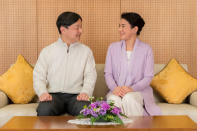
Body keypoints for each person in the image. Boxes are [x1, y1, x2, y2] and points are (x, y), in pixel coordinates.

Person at [33, 12, 97, 116]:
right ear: (63, 29)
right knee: (44, 110)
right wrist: (42, 92)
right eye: (77, 27)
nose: (81, 31)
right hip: (53, 96)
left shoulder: (86, 51)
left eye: (81, 27)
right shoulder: (47, 51)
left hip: (77, 96)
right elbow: (38, 75)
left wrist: (85, 92)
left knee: (87, 112)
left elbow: (90, 75)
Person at [104, 12, 161, 116]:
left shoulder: (146, 49)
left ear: (135, 29)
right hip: (116, 90)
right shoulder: (112, 48)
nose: (119, 29)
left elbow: (148, 77)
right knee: (113, 101)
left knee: (129, 98)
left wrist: (132, 89)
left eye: (123, 26)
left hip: (138, 92)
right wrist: (115, 88)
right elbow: (108, 73)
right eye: (119, 26)